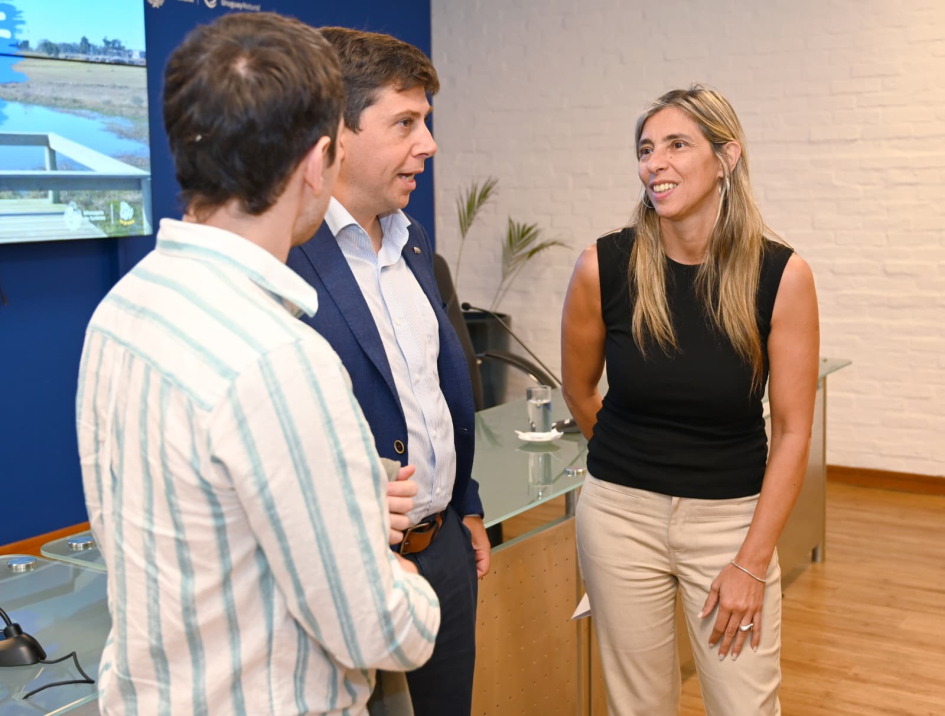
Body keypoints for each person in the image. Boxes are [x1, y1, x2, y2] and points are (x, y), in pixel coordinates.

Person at [76, 14, 439, 716]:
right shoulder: (281, 359)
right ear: (318, 161)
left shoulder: (122, 310)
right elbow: (378, 628)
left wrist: (344, 498)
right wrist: (402, 578)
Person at [561, 85, 819, 716]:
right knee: (639, 706)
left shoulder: (781, 276)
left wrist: (751, 563)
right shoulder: (603, 266)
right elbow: (579, 389)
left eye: (677, 145)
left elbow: (792, 432)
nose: (656, 163)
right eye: (646, 149)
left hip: (730, 523)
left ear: (726, 158)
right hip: (619, 519)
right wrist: (632, 466)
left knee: (745, 705)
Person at [286, 27, 489, 716]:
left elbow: (433, 395)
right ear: (336, 134)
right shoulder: (287, 260)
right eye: (405, 123)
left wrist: (464, 506)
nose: (427, 144)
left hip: (444, 553)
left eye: (425, 122)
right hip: (352, 572)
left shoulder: (414, 244)